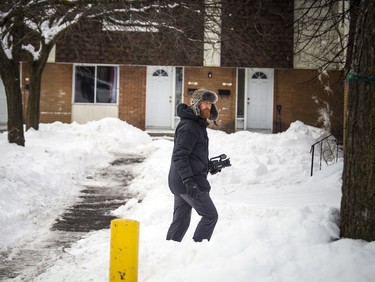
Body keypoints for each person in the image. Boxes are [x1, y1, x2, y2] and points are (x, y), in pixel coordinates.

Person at [166, 89, 219, 242]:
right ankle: (198, 249)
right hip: (188, 183)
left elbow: (193, 156)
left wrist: (209, 165)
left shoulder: (197, 125)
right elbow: (180, 155)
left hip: (181, 181)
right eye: (204, 103)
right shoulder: (189, 126)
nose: (208, 107)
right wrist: (189, 181)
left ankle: (169, 249)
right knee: (210, 216)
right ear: (196, 105)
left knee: (180, 221)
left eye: (210, 103)